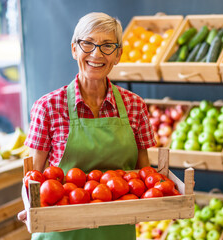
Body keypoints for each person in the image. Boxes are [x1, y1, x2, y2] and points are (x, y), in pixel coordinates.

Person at [18, 12, 156, 239]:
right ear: (74, 49)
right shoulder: (48, 107)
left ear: (118, 55)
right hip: (61, 230)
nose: (96, 53)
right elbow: (34, 175)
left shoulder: (135, 106)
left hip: (116, 230)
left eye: (107, 46)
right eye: (88, 44)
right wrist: (30, 207)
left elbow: (143, 175)